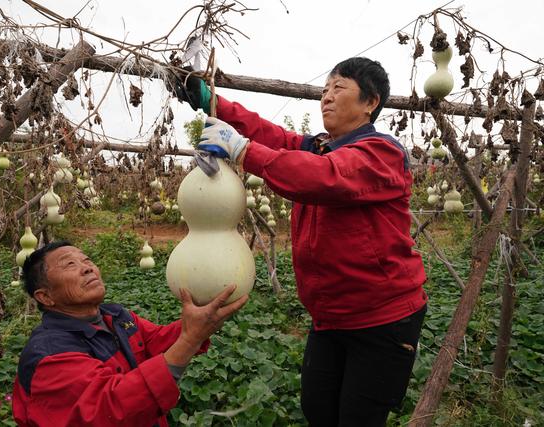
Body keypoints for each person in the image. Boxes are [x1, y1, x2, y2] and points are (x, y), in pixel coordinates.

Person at [172, 57, 427, 426]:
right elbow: (273, 137)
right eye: (324, 90)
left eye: (339, 88)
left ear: (370, 102)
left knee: (359, 417)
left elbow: (324, 178)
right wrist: (213, 102)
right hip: (329, 316)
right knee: (318, 409)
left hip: (382, 318)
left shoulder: (381, 153)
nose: (326, 97)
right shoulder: (320, 147)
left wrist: (242, 150)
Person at [12, 241, 247, 427]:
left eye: (87, 260)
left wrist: (207, 317)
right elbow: (111, 409)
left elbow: (158, 341)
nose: (87, 267)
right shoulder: (49, 356)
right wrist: (190, 339)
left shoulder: (115, 316)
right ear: (45, 297)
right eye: (69, 265)